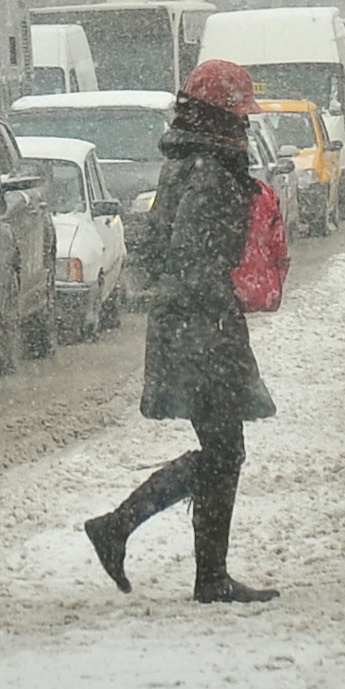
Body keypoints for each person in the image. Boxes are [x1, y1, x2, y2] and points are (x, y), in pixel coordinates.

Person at [82, 58, 280, 605]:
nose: (246, 125)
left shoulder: (187, 163)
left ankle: (182, 560)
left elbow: (155, 249)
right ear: (219, 117)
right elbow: (193, 253)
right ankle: (128, 531)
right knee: (224, 450)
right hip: (203, 325)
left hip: (191, 320)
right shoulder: (211, 172)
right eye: (239, 115)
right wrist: (215, 297)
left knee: (222, 448)